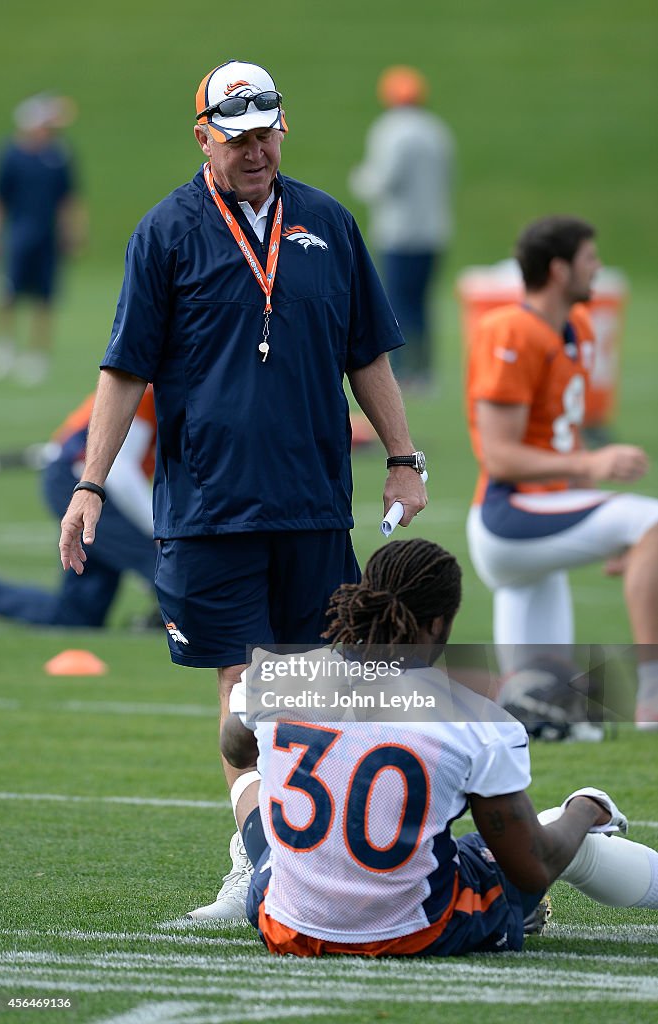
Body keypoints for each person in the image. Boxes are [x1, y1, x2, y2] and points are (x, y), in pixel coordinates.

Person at [57, 59, 427, 920]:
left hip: (310, 500)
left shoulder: (328, 223)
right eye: (238, 138)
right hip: (209, 505)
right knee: (244, 688)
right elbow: (123, 370)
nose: (256, 151)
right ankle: (256, 865)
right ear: (204, 139)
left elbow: (365, 351)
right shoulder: (165, 232)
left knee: (306, 686)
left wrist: (403, 456)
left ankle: (298, 858)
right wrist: (90, 485)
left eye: (267, 134)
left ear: (283, 130)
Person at [219, 538, 658, 956]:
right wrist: (585, 808)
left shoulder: (274, 677)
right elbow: (533, 869)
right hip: (418, 930)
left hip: (283, 923)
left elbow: (237, 753)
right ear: (436, 623)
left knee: (253, 786)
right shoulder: (476, 718)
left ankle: (273, 860)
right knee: (549, 837)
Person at [465, 215, 658, 730]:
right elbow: (500, 457)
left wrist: (611, 526)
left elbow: (562, 435)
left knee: (545, 711)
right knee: (653, 520)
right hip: (509, 515)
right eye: (589, 258)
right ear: (558, 269)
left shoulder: (576, 328)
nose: (597, 268)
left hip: (545, 519)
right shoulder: (510, 330)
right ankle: (653, 699)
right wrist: (591, 464)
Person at [0, 387, 157, 628]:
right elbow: (119, 471)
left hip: (82, 480)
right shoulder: (149, 390)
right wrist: (157, 529)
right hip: (81, 482)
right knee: (166, 567)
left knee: (77, 616)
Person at [349, 66, 455, 392]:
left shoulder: (390, 131)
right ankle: (424, 370)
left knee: (395, 303)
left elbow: (383, 181)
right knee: (422, 303)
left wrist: (360, 180)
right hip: (434, 230)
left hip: (399, 231)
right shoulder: (437, 131)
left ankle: (401, 371)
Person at [0, 93, 86, 386]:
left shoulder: (59, 156)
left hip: (48, 237)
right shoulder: (12, 155)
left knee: (44, 297)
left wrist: (73, 230)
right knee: (9, 291)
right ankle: (5, 347)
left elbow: (68, 198)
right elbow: (0, 199)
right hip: (19, 233)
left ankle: (37, 354)